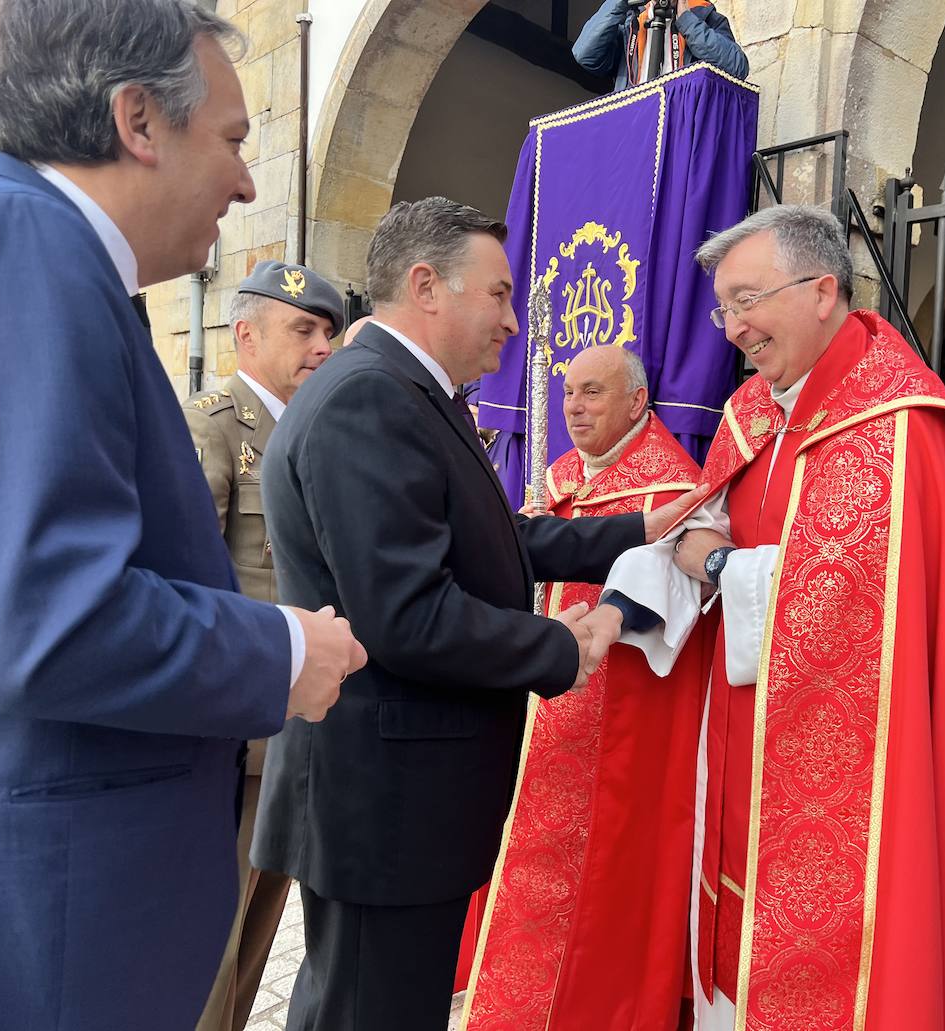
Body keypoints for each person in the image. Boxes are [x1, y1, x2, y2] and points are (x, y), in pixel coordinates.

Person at [0, 3, 365, 1030]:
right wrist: (279, 648)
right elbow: (38, 616)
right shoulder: (17, 245)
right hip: (58, 924)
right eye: (229, 139)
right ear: (138, 119)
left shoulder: (37, 253)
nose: (248, 182)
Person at [250, 197, 695, 1031]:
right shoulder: (370, 399)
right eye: (497, 294)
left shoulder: (408, 391)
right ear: (427, 286)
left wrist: (636, 527)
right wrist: (562, 644)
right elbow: (407, 614)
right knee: (365, 1013)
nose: (513, 319)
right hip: (383, 805)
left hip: (398, 802)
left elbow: (495, 536)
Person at [581, 205, 945, 1029]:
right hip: (740, 734)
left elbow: (849, 606)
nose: (734, 328)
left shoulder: (899, 424)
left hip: (855, 760)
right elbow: (695, 524)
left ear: (824, 291)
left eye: (748, 300)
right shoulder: (752, 412)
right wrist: (615, 612)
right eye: (723, 309)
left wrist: (716, 564)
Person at [463, 346, 705, 1030]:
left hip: (621, 725)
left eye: (592, 393)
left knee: (606, 890)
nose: (573, 407)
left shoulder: (672, 491)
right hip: (545, 712)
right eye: (569, 393)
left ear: (637, 402)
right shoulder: (561, 475)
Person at [185, 260, 345, 1031]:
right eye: (303, 329)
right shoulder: (215, 424)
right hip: (238, 732)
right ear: (245, 335)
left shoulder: (322, 427)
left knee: (260, 932)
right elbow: (192, 580)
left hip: (306, 727)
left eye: (328, 330)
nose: (322, 344)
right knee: (211, 935)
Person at [573, 0, 749, 91]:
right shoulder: (630, 22)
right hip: (633, 126)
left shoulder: (704, 16)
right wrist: (621, 3)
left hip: (681, 128)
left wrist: (687, 21)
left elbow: (737, 67)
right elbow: (585, 55)